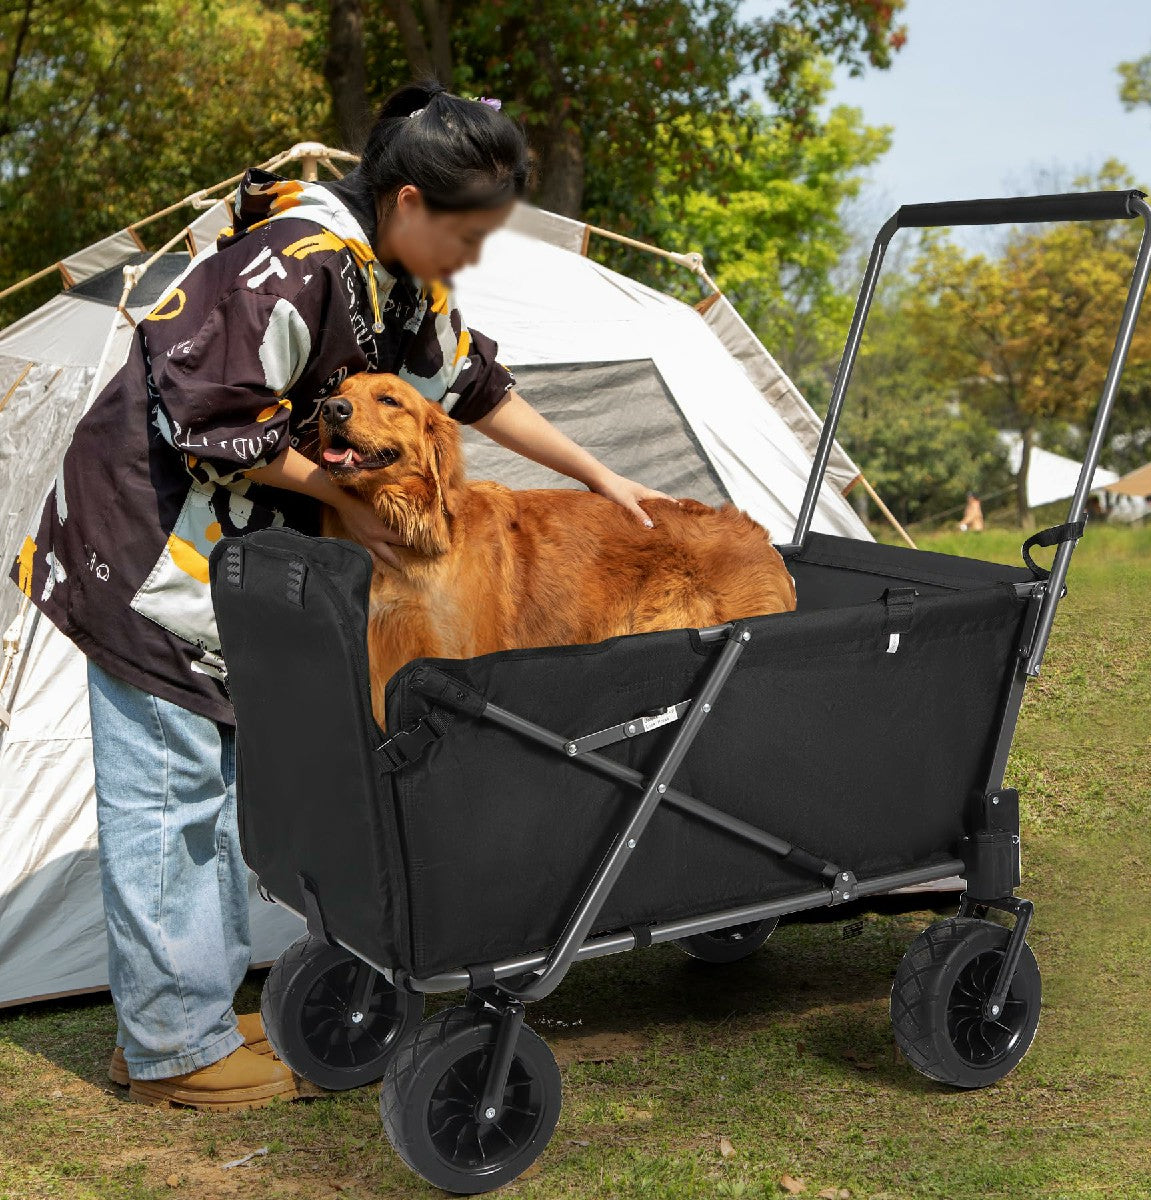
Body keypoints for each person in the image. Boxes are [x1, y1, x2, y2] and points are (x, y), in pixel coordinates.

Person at [11, 81, 672, 1110]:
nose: (472, 257)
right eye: (467, 233)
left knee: (224, 789)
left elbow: (472, 385)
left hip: (230, 573)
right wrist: (341, 500)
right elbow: (201, 409)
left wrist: (600, 475)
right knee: (168, 793)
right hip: (143, 550)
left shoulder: (398, 281)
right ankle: (172, 1051)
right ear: (407, 201)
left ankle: (179, 1012)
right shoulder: (294, 264)